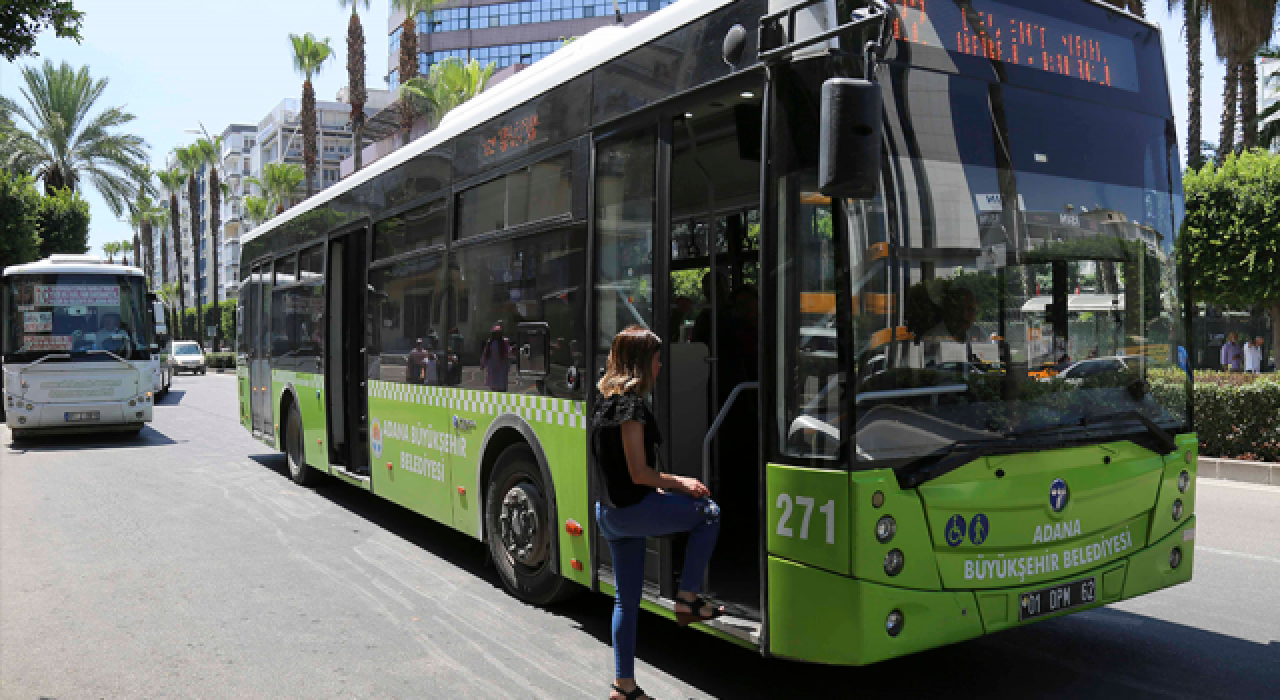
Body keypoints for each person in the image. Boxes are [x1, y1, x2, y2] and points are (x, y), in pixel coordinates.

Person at [591, 326, 723, 700]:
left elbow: (620, 470)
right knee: (709, 512)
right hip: (632, 511)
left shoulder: (603, 401)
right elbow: (638, 472)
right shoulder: (631, 406)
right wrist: (681, 482)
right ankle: (688, 599)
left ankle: (624, 687)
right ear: (641, 363)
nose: (661, 365)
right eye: (657, 359)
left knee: (625, 601)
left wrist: (658, 485)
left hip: (611, 514)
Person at [479, 323, 510, 391]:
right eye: (496, 333)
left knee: (502, 383)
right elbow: (485, 353)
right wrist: (482, 364)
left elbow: (508, 353)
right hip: (492, 366)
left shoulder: (505, 341)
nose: (497, 335)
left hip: (502, 365)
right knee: (493, 384)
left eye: (498, 333)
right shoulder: (490, 342)